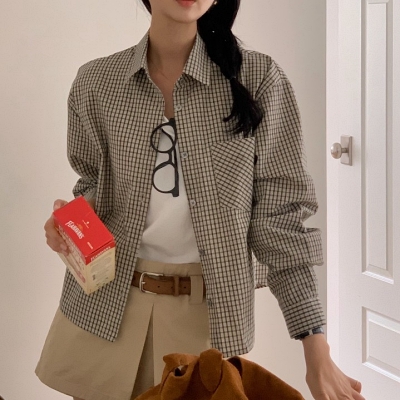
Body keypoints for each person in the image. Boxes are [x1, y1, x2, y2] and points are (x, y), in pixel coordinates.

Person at [35, 1, 365, 399]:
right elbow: (92, 183)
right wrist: (68, 224)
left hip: (203, 324)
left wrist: (316, 347)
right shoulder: (97, 82)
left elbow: (281, 220)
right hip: (104, 310)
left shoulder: (259, 78)